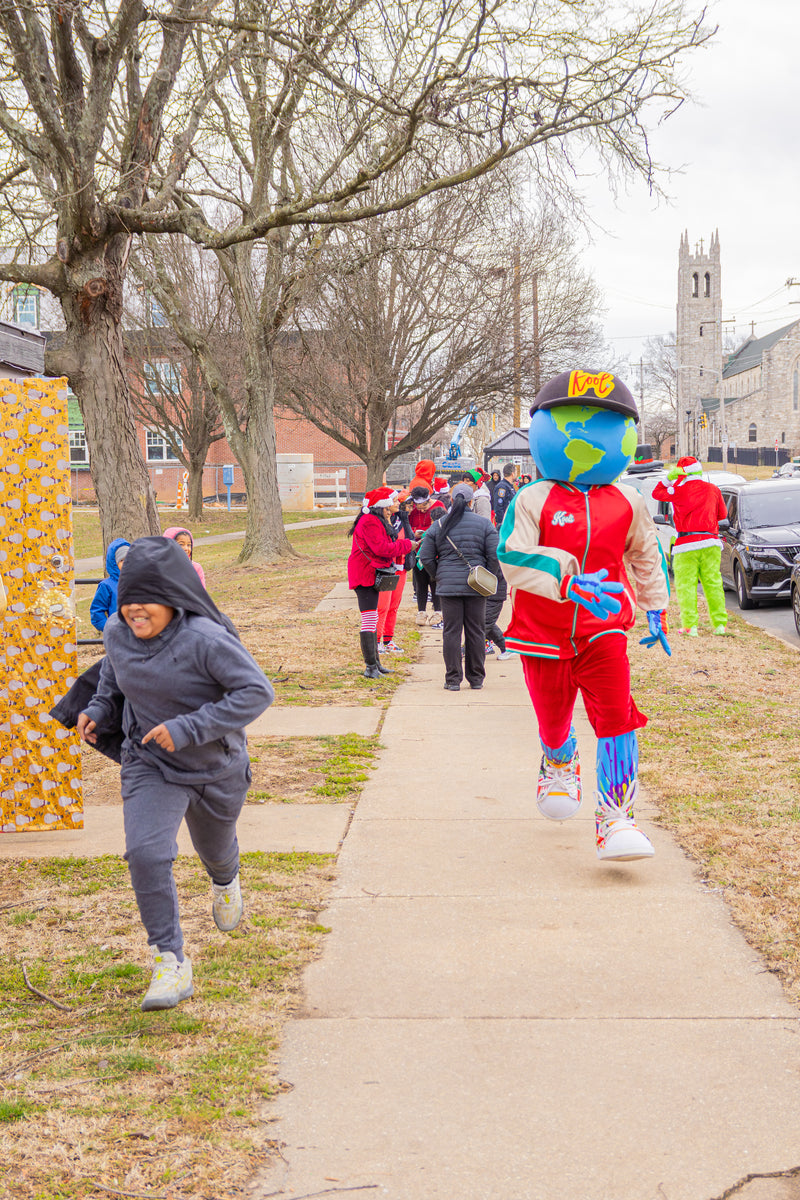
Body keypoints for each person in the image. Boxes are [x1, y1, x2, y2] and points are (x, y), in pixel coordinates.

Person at [76, 537, 275, 1012]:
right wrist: (99, 708)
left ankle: (226, 880)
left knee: (216, 850)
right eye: (127, 602)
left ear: (172, 599)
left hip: (213, 766)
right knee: (146, 853)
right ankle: (169, 959)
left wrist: (189, 728)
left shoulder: (204, 639)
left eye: (146, 601)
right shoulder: (117, 634)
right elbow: (112, 678)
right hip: (150, 761)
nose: (135, 612)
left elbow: (256, 691)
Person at [498, 369, 670, 862]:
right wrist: (569, 580)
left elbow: (645, 557)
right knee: (553, 721)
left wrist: (655, 607)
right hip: (541, 633)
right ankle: (558, 758)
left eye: (602, 425)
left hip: (603, 631)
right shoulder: (533, 498)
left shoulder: (629, 501)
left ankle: (617, 819)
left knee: (618, 720)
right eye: (573, 423)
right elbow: (512, 556)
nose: (587, 435)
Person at [419, 482, 501, 691]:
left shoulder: (438, 525)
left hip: (448, 586)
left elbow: (426, 557)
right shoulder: (484, 525)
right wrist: (486, 574)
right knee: (476, 631)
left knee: (451, 632)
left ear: (452, 500)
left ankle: (453, 679)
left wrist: (439, 574)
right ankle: (476, 678)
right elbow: (494, 555)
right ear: (472, 501)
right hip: (477, 586)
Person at [652, 456, 729, 636]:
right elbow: (722, 514)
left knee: (686, 586)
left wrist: (669, 478)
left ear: (681, 472)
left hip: (685, 544)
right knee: (713, 583)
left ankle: (690, 626)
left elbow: (657, 493)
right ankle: (720, 624)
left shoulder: (677, 490)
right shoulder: (713, 490)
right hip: (710, 542)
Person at [347, 487, 414, 678]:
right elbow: (382, 549)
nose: (394, 505)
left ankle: (376, 664)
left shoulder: (375, 520)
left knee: (373, 617)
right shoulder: (369, 521)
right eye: (390, 502)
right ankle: (370, 667)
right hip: (365, 574)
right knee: (369, 618)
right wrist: (408, 544)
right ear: (381, 506)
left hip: (370, 573)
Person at [376, 493, 415, 655]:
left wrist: (405, 518)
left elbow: (410, 539)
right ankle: (377, 641)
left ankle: (388, 639)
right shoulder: (378, 522)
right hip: (387, 568)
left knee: (394, 606)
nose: (397, 503)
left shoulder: (399, 520)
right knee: (382, 606)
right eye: (393, 501)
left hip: (401, 567)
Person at [407, 485, 446, 626]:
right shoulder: (411, 510)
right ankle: (421, 611)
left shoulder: (439, 506)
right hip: (417, 551)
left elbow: (442, 525)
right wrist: (414, 532)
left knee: (434, 581)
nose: (422, 510)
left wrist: (425, 531)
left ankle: (438, 611)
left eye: (424, 506)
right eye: (418, 507)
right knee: (420, 582)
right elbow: (407, 526)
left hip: (434, 551)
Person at [90, 538, 131, 632]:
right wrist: (110, 629)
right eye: (122, 560)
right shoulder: (106, 586)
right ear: (115, 564)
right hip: (119, 635)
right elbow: (96, 613)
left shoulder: (138, 582)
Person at [484, 561, 514, 660]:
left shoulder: (493, 549)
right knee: (486, 622)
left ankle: (466, 649)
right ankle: (507, 647)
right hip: (488, 590)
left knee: (483, 623)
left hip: (493, 591)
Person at [492, 463, 518, 531]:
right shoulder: (502, 487)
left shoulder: (510, 486)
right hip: (505, 524)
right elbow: (498, 507)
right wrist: (505, 523)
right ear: (512, 474)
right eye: (516, 473)